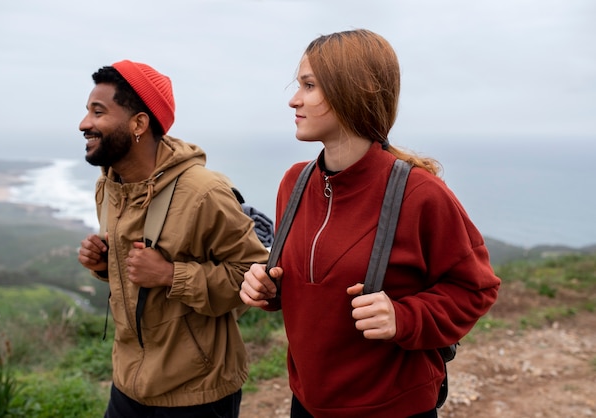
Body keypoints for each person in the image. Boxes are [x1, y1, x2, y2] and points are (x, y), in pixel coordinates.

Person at [239, 29, 501, 418]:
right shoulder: (294, 183)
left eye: (309, 86)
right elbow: (307, 281)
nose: (294, 99)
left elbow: (476, 289)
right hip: (307, 403)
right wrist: (267, 286)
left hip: (392, 408)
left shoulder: (419, 193)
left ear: (352, 91)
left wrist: (403, 317)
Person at [77, 60, 270, 417]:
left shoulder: (204, 192)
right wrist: (105, 264)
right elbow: (136, 272)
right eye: (87, 111)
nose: (84, 124)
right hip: (128, 382)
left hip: (197, 392)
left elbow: (254, 275)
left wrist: (170, 275)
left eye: (98, 112)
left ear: (138, 123)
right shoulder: (109, 185)